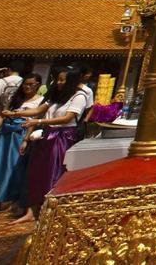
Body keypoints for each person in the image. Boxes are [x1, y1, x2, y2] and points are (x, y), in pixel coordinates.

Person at [13, 66, 90, 223]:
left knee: (53, 173)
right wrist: (15, 113)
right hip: (47, 136)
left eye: (63, 80)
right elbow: (38, 110)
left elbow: (67, 118)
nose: (59, 82)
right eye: (58, 79)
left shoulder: (79, 96)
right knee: (36, 172)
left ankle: (50, 211)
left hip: (62, 137)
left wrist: (39, 121)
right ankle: (32, 210)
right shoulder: (56, 96)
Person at [0, 73, 42, 211]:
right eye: (25, 84)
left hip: (20, 133)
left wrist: (26, 139)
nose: (27, 87)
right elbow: (2, 116)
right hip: (5, 133)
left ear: (38, 85)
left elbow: (34, 121)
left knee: (13, 166)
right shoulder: (15, 99)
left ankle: (9, 196)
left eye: (31, 84)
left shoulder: (40, 101)